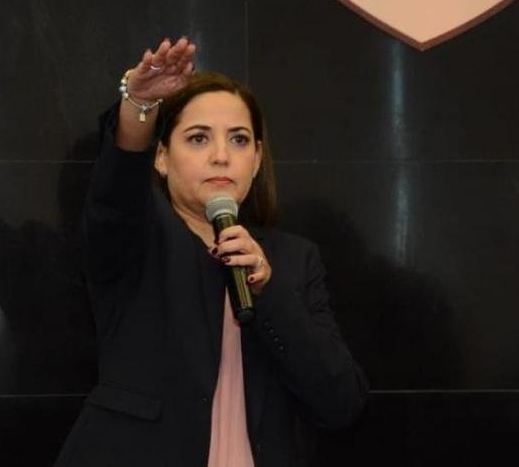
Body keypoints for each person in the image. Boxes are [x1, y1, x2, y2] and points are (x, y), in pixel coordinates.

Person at [55, 37, 367, 467]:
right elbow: (116, 193)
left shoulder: (294, 260)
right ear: (161, 157)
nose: (221, 156)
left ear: (256, 159)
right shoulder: (137, 237)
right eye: (198, 138)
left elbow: (341, 402)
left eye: (239, 140)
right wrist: (139, 106)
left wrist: (269, 291)